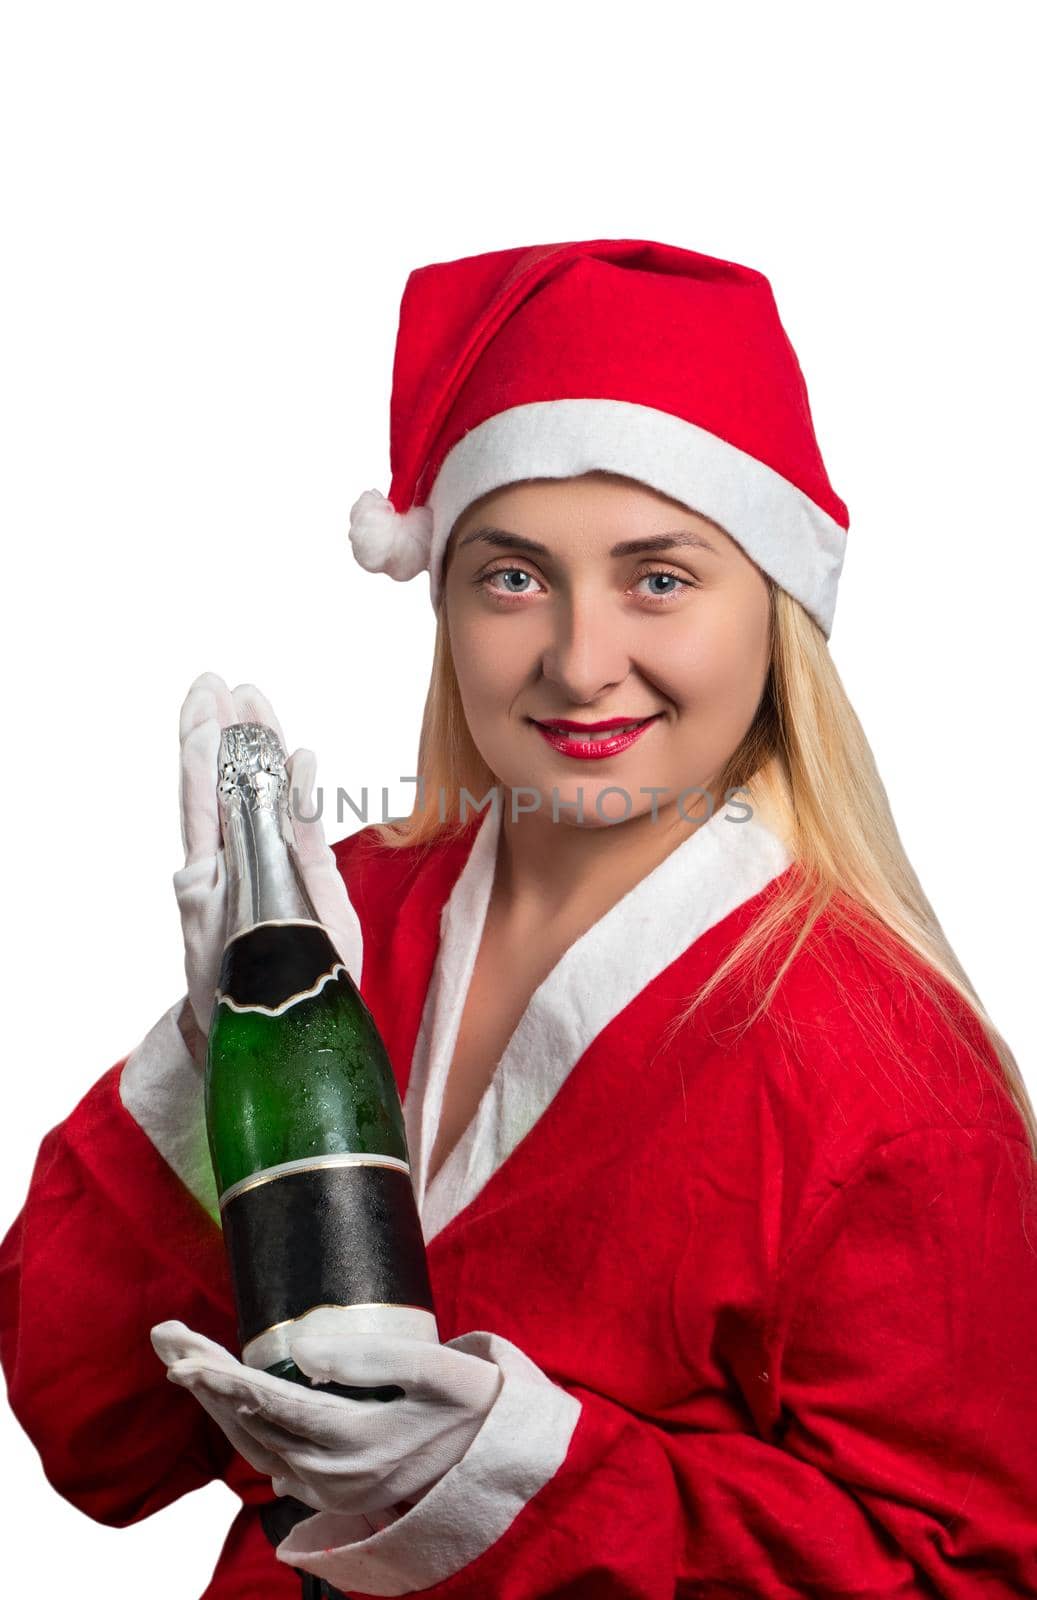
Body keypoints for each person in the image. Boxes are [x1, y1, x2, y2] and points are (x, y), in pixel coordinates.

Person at [2, 237, 1036, 1599]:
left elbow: (961, 1573)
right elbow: (94, 1434)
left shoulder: (890, 1077)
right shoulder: (344, 918)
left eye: (658, 577)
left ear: (772, 613)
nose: (577, 659)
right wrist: (202, 1072)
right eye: (512, 577)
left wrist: (506, 1479)